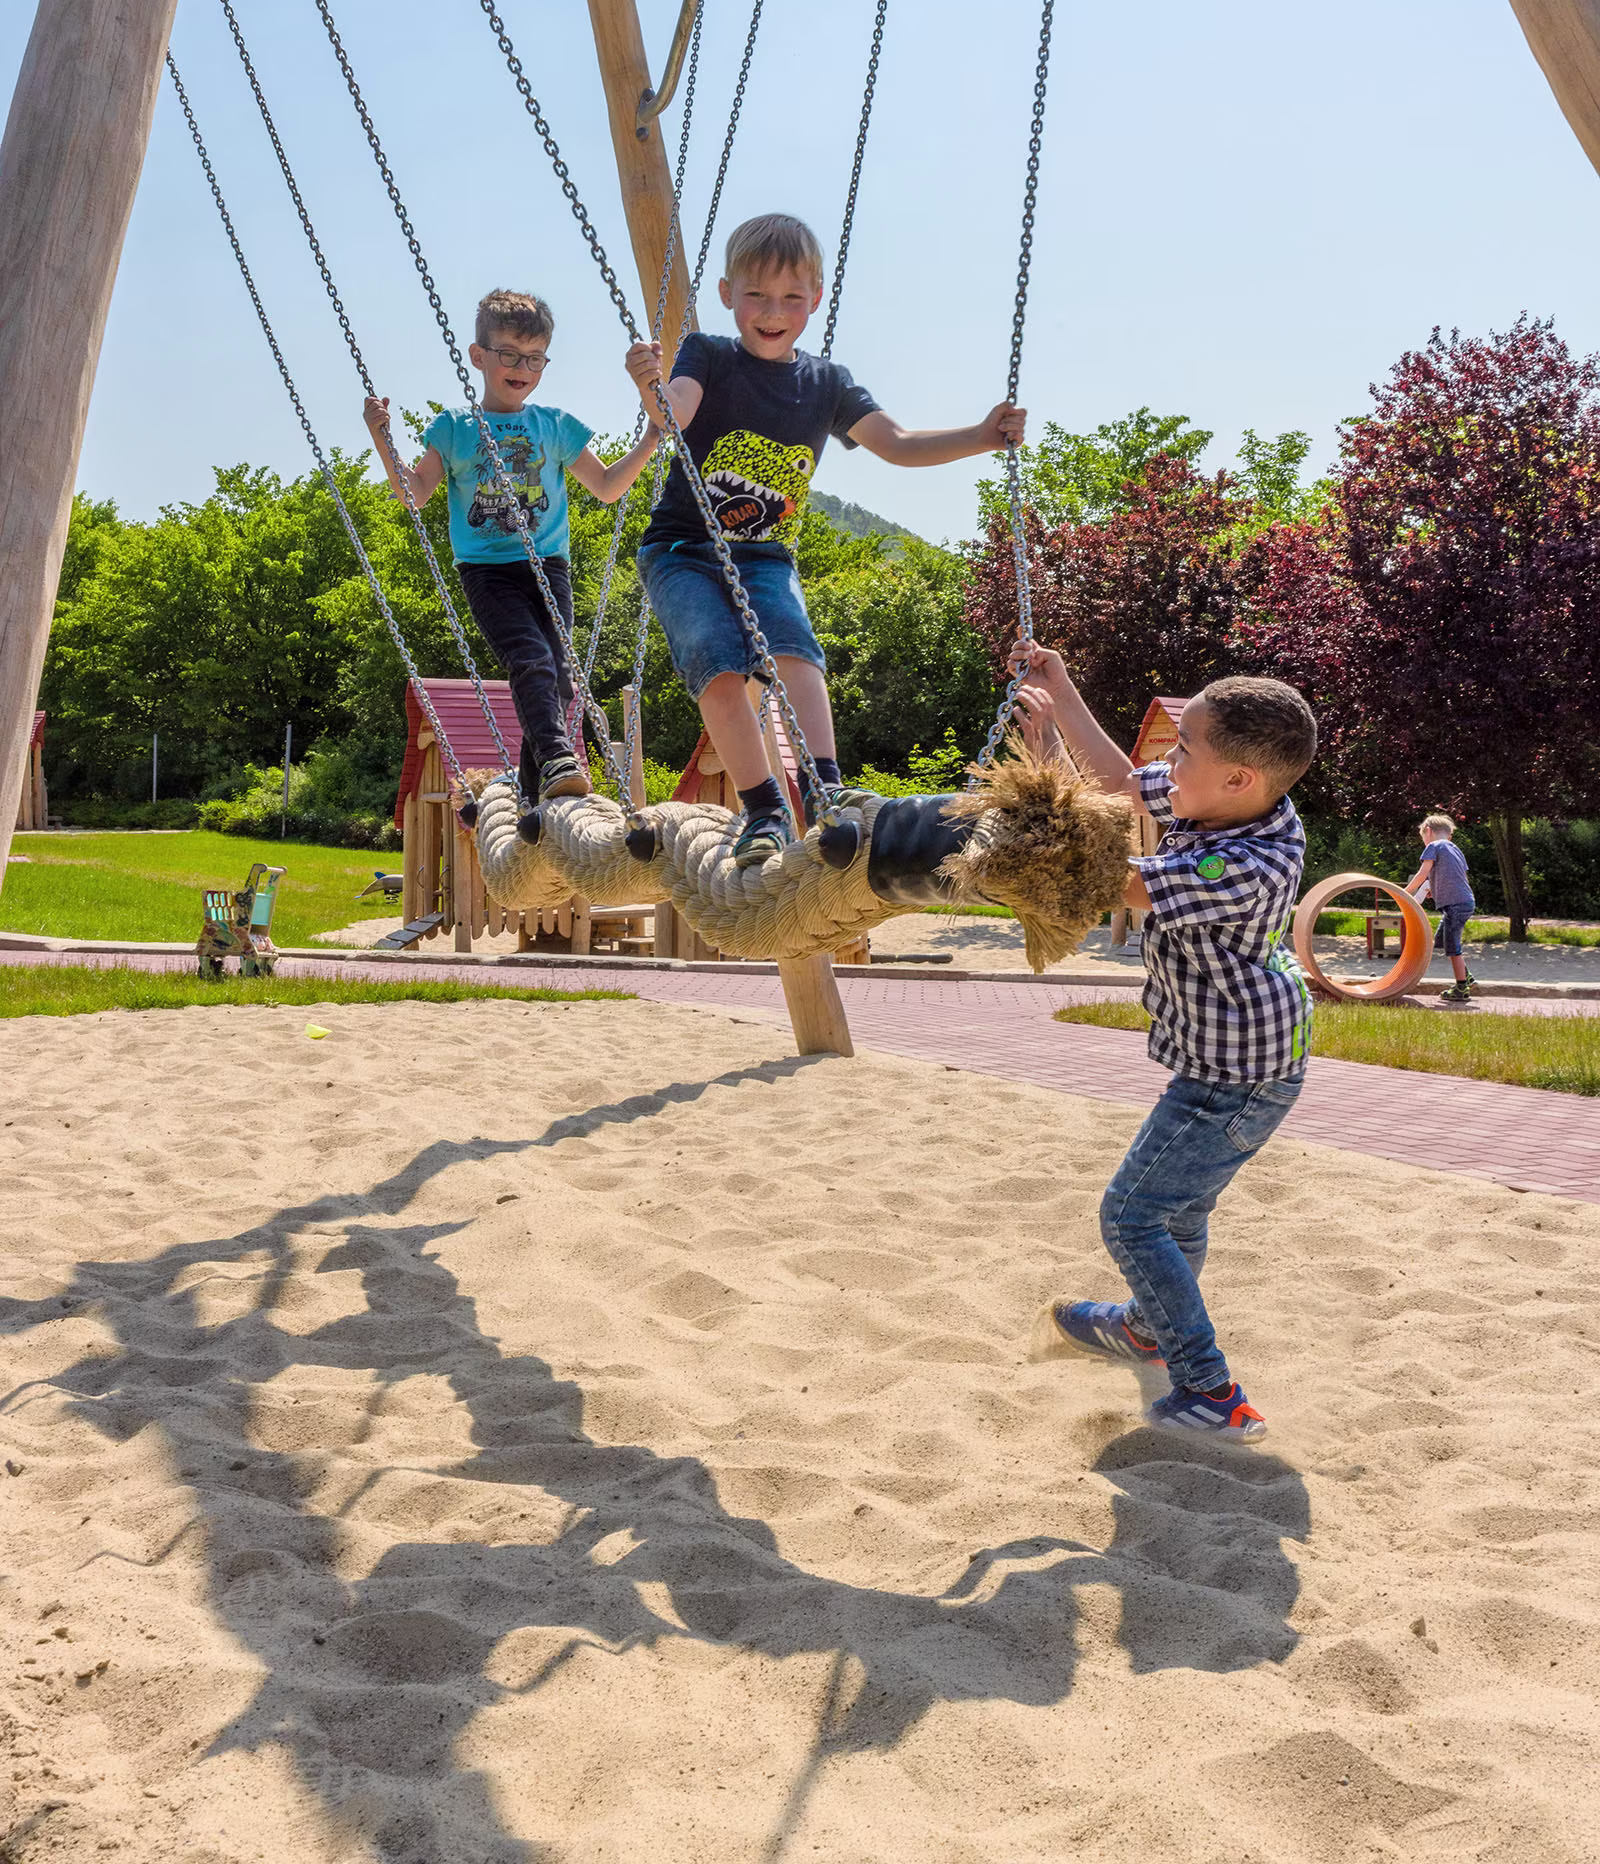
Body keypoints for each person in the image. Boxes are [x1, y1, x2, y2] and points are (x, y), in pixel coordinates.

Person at [626, 212, 1026, 863]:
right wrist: (652, 387)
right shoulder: (709, 353)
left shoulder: (827, 384)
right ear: (728, 294)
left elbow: (895, 444)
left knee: (795, 650)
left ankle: (826, 791)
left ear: (815, 298)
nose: (773, 311)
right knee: (715, 662)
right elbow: (677, 411)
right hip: (681, 550)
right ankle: (764, 810)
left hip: (763, 554)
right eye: (756, 294)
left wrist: (981, 436)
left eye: (791, 297)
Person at [1007, 641, 1319, 1444]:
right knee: (1177, 1213)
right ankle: (1151, 1326)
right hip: (1230, 1061)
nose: (1167, 763)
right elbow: (1115, 783)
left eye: (1183, 749)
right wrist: (1059, 688)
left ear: (1239, 779)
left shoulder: (1246, 860)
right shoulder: (1212, 801)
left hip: (1239, 1078)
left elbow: (1113, 878)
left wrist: (1033, 805)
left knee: (1131, 1215)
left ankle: (1211, 1389)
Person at [363, 288, 661, 803]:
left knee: (562, 678)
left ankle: (533, 787)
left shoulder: (553, 425)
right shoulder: (454, 428)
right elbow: (416, 493)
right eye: (508, 354)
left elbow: (608, 487)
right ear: (478, 356)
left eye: (535, 357)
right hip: (489, 571)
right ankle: (558, 759)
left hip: (549, 567)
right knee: (529, 658)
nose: (522, 367)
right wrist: (381, 438)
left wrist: (651, 438)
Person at [1405, 812, 1476, 1002]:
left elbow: (1423, 873)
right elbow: (1459, 877)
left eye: (1423, 838)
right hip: (1464, 901)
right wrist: (1435, 890)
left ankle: (1462, 988)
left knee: (1452, 946)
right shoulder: (1455, 849)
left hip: (1455, 905)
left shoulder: (1433, 846)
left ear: (1428, 831)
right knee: (1442, 941)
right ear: (1449, 834)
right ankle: (1466, 976)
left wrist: (1406, 891)